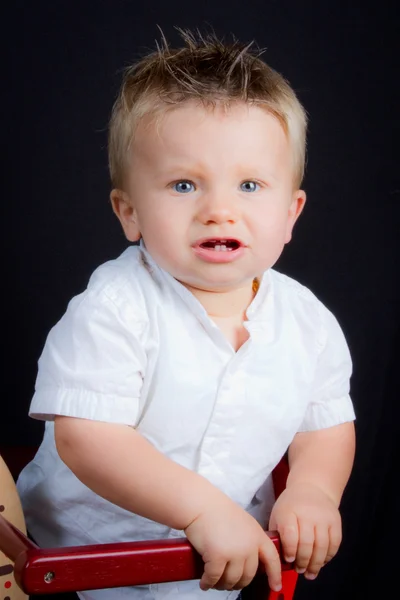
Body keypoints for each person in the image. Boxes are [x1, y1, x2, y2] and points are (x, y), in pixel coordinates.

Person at [17, 29, 356, 600]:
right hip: (82, 556)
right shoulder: (114, 308)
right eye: (183, 184)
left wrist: (314, 491)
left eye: (250, 184)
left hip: (210, 565)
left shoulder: (308, 321)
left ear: (291, 212)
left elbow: (323, 424)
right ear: (130, 213)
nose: (219, 209)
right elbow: (89, 438)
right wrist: (203, 509)